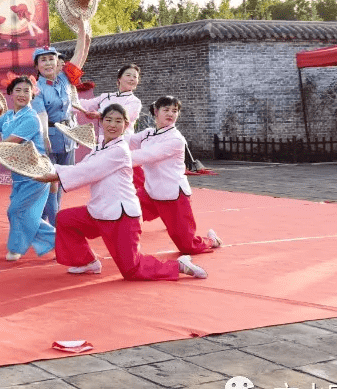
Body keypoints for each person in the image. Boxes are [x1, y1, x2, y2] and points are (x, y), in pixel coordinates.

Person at [34, 104, 208, 281]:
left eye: (118, 121)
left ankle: (178, 265)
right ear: (100, 122)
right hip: (99, 211)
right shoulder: (98, 149)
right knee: (65, 219)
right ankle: (87, 262)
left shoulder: (120, 150)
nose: (112, 125)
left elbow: (88, 172)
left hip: (121, 217)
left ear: (125, 126)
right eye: (108, 120)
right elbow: (81, 167)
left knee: (133, 270)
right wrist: (50, 169)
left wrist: (52, 175)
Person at [0, 77, 56, 261]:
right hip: (19, 176)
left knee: (15, 211)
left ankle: (45, 242)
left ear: (32, 94)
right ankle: (51, 241)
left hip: (36, 173)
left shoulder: (31, 118)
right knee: (23, 213)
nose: (22, 94)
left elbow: (6, 145)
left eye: (26, 90)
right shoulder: (8, 116)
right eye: (18, 90)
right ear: (11, 93)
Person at [130, 96, 222, 255]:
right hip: (150, 192)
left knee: (188, 247)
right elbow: (126, 141)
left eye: (175, 111)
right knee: (122, 211)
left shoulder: (176, 139)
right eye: (166, 110)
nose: (171, 114)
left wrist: (111, 158)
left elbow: (146, 156)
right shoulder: (147, 133)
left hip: (173, 196)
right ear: (156, 111)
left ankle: (211, 240)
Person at [31, 18, 91, 225]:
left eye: (51, 59)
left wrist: (82, 28)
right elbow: (42, 115)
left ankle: (46, 219)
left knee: (62, 180)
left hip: (69, 135)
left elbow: (80, 54)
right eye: (43, 60)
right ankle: (53, 224)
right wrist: (44, 137)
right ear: (37, 66)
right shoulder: (36, 87)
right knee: (49, 182)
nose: (48, 63)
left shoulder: (65, 79)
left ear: (58, 62)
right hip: (48, 137)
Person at [78, 64, 142, 139]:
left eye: (135, 77)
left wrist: (100, 115)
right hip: (102, 141)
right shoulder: (106, 97)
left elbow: (122, 116)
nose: (132, 79)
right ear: (119, 79)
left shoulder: (135, 101)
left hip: (123, 142)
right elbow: (84, 104)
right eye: (128, 75)